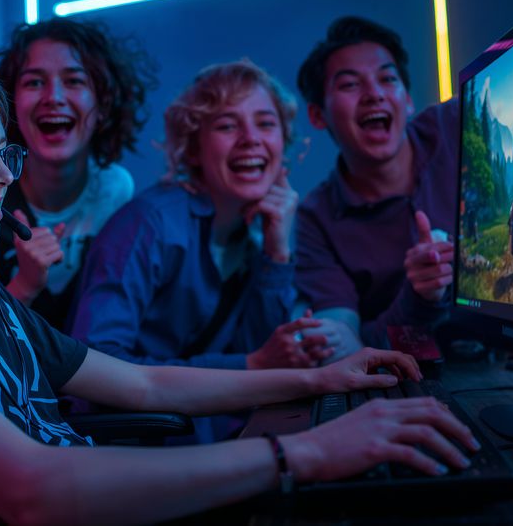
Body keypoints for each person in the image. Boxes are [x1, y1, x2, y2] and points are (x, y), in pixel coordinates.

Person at [0, 51, 480, 523]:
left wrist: (319, 381)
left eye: (3, 153)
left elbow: (145, 385)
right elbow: (30, 489)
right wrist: (303, 453)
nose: (3, 176)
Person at [72, 60, 334, 442]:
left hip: (205, 436)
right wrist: (251, 364)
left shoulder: (252, 237)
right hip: (126, 449)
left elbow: (265, 363)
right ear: (193, 149)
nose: (251, 139)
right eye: (227, 125)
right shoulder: (150, 225)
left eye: (265, 123)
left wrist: (277, 253)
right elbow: (94, 368)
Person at [0, 18, 155, 328]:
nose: (54, 97)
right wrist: (25, 285)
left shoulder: (116, 190)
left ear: (103, 103)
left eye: (74, 81)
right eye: (34, 82)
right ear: (10, 103)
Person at [294, 16, 457, 357]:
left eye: (387, 79)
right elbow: (347, 348)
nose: (374, 95)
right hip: (416, 376)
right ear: (318, 115)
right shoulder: (316, 219)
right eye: (350, 85)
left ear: (407, 99)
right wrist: (419, 295)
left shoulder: (458, 125)